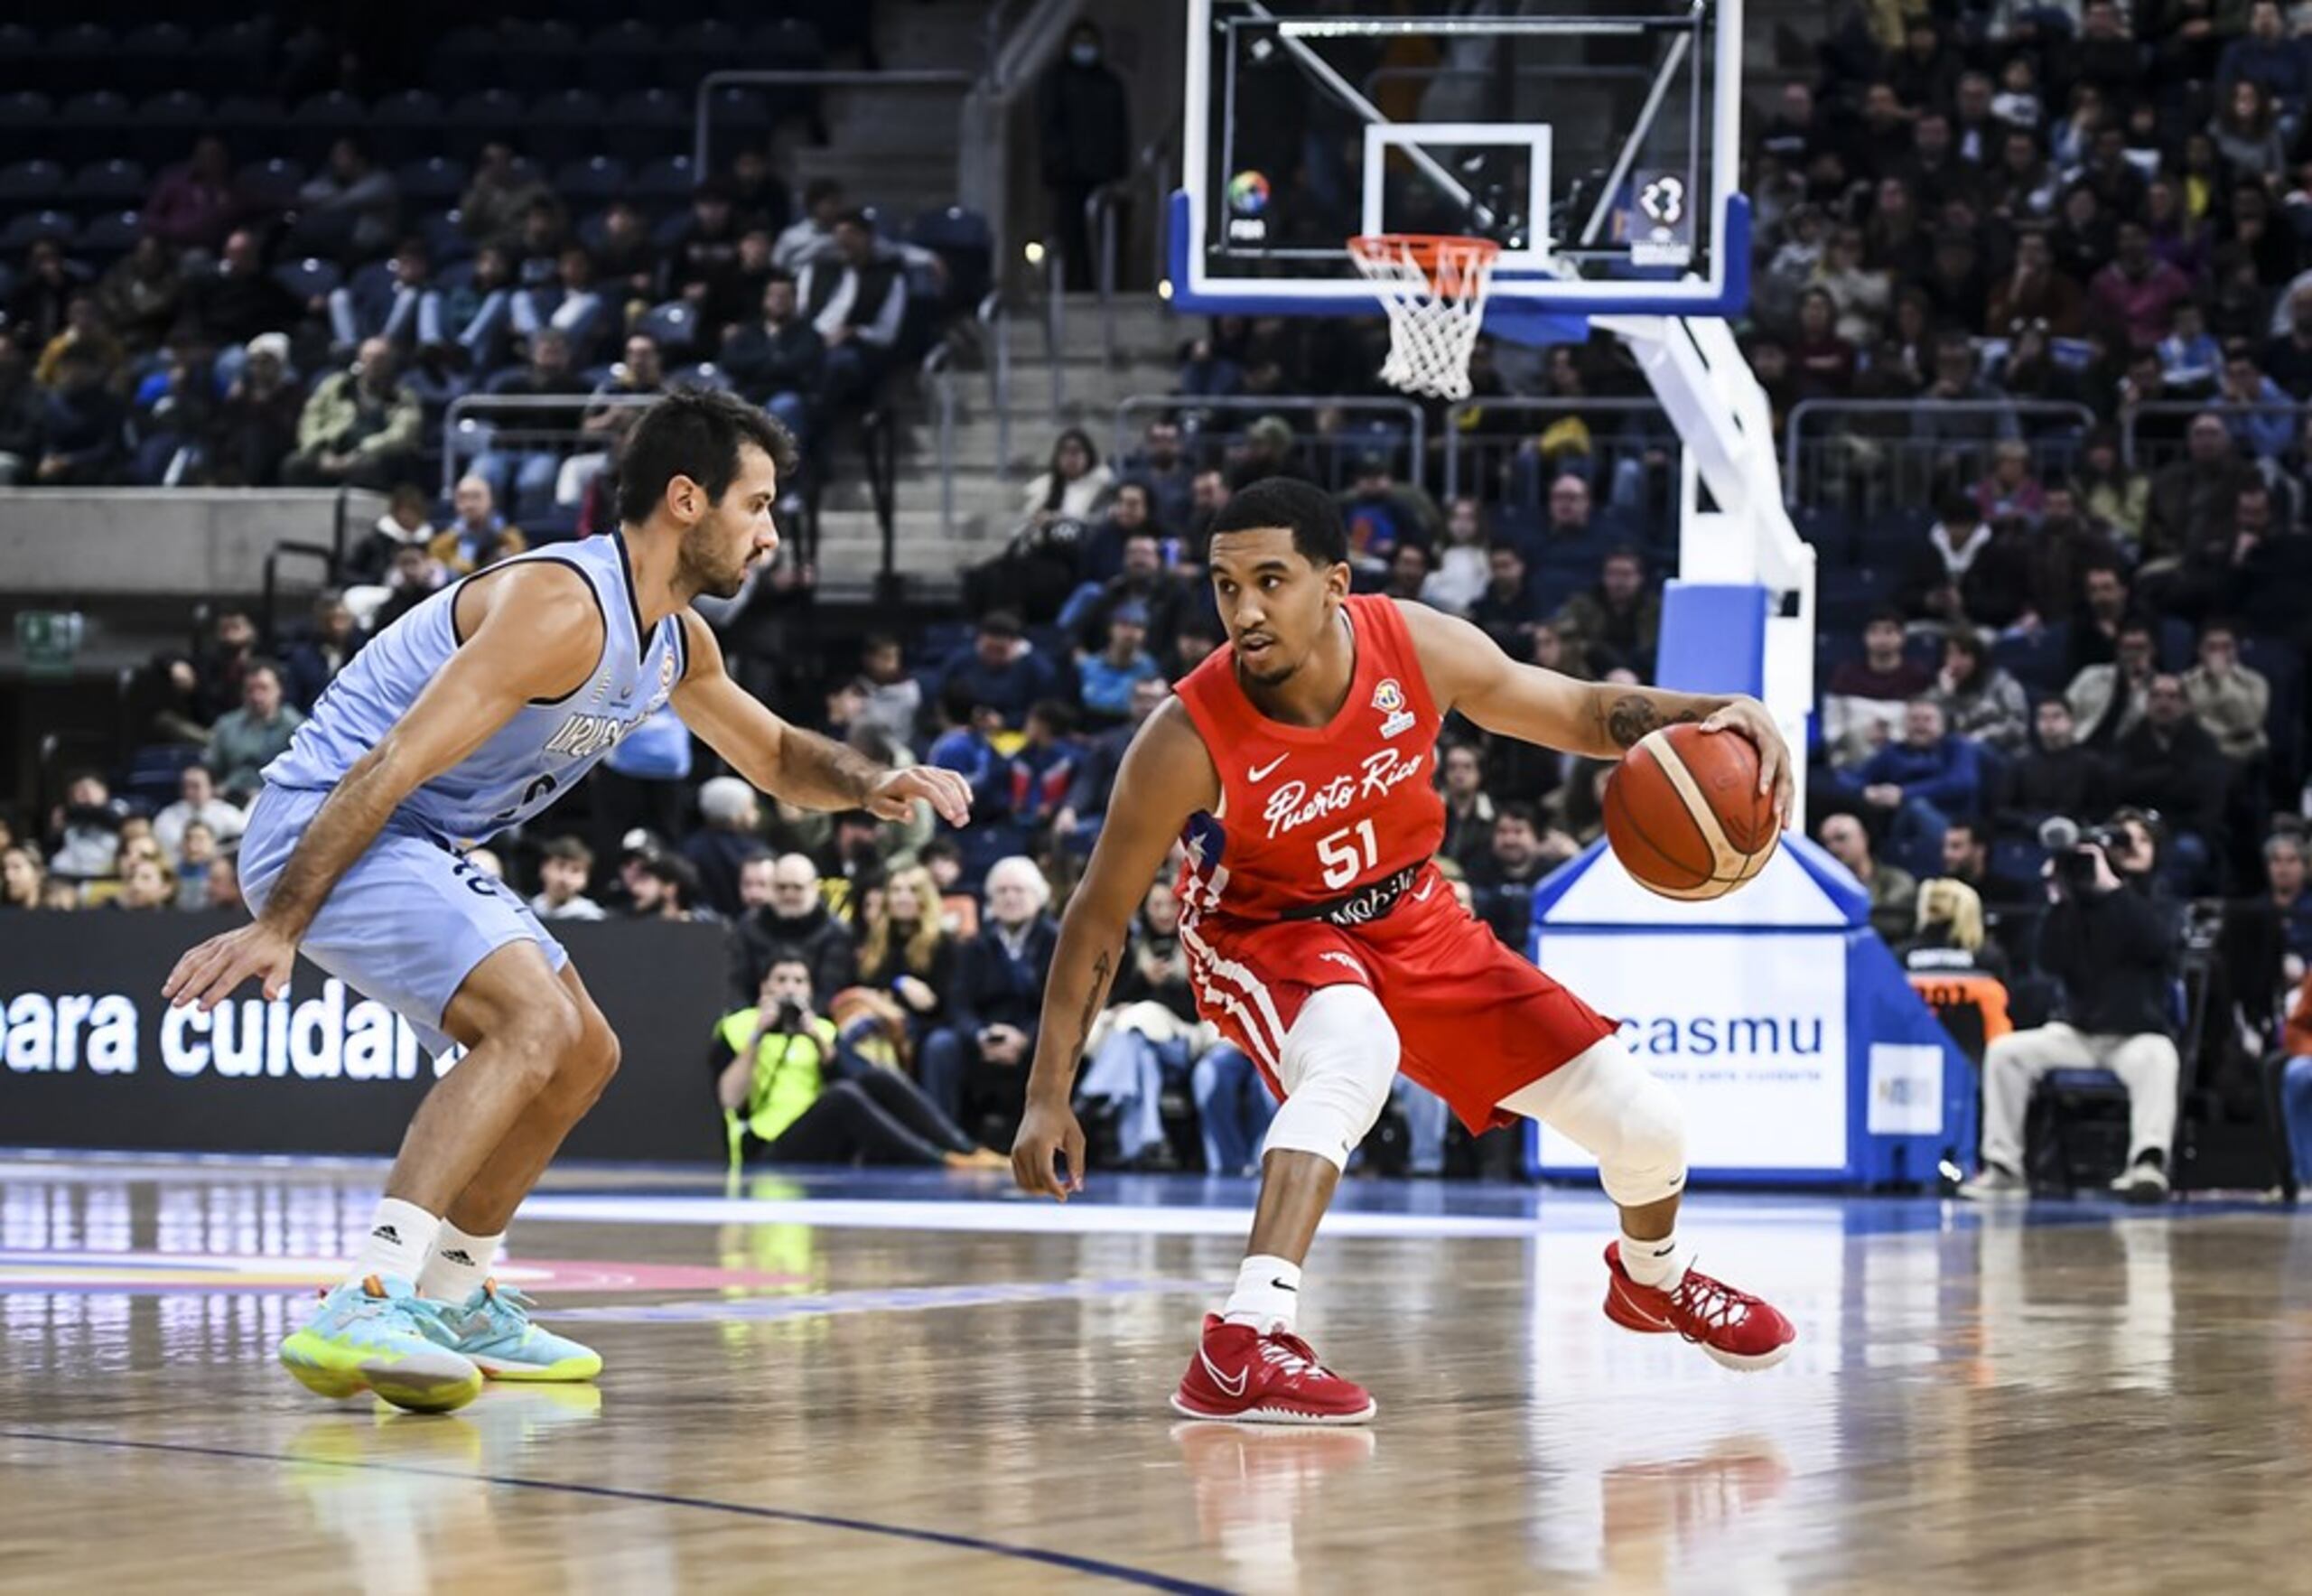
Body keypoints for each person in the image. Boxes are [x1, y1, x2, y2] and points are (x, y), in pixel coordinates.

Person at [163, 389, 971, 1414]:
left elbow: (770, 753)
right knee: (531, 1019)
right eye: (756, 505)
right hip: (335, 819)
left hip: (414, 836)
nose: (769, 535)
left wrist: (865, 781)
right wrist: (280, 920)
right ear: (686, 500)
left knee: (585, 1051)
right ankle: (370, 1291)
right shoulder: (563, 606)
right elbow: (393, 759)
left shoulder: (670, 637)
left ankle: (453, 1294)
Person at [1008, 479, 1797, 1424]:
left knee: (1649, 1125)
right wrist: (1047, 1093)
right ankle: (1242, 1340)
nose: (1245, 610)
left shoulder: (1414, 647)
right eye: (1225, 586)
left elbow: (1583, 714)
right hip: (1267, 934)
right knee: (1353, 1051)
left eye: (1271, 580)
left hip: (1417, 917)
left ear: (1334, 583)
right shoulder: (1184, 736)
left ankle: (1652, 1278)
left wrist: (1715, 708)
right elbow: (1096, 916)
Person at [1959, 811, 2181, 1203]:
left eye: (2141, 842)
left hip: (2134, 1036)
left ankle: (2146, 1165)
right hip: (2075, 1033)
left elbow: (2157, 944)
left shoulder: (2159, 898)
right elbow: (2048, 959)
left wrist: (2113, 887)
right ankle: (2004, 1168)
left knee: (2160, 1058)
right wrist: (2059, 896)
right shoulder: (2080, 901)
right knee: (2005, 1052)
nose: (2129, 849)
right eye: (2122, 840)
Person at [714, 957, 1005, 1169]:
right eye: (781, 980)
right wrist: (758, 1036)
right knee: (842, 1097)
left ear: (810, 991)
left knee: (878, 1077)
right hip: (768, 1145)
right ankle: (941, 1161)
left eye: (799, 981)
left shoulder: (824, 1031)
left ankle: (970, 1150)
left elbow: (856, 1080)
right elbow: (729, 1099)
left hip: (822, 1136)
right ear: (765, 987)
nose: (790, 988)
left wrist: (818, 1040)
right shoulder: (739, 1027)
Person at [529, 835, 606, 922]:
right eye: (560, 867)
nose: (565, 877)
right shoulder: (526, 910)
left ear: (586, 879)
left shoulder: (593, 918)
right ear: (543, 868)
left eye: (575, 870)